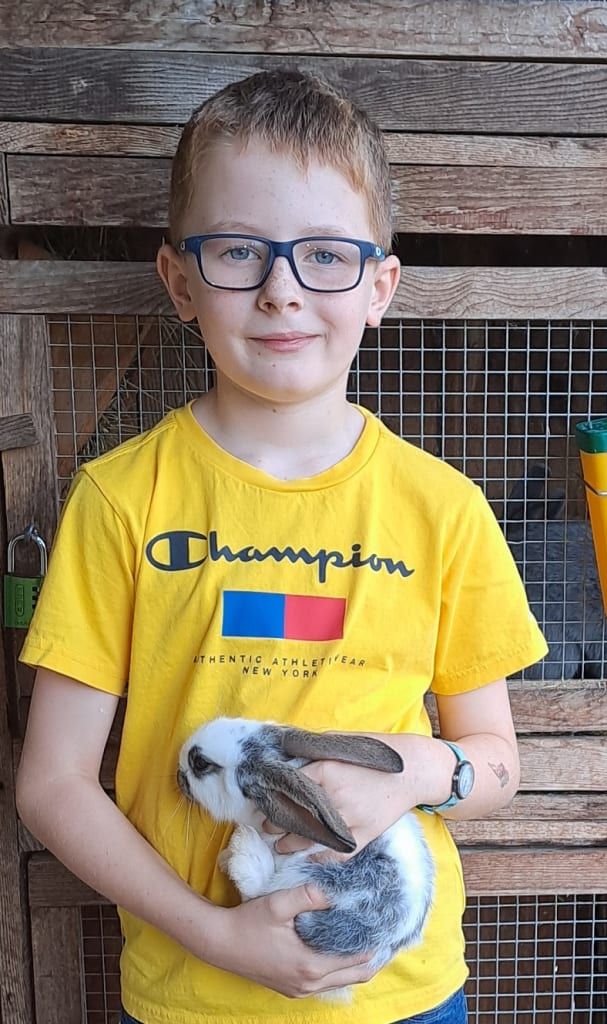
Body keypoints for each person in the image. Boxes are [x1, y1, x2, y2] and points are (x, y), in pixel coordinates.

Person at [15, 69, 547, 1024]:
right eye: (238, 251)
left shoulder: (444, 509)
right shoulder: (120, 500)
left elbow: (495, 764)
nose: (281, 292)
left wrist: (414, 770)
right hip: (192, 996)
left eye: (325, 256)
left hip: (403, 997)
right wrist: (213, 933)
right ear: (180, 280)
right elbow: (52, 784)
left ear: (380, 286)